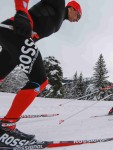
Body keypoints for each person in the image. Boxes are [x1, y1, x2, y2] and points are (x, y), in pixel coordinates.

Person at [0, 0, 82, 147]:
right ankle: (7, 127)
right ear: (72, 8)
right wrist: (21, 12)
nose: (77, 20)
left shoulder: (58, 21)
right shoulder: (58, 4)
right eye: (78, 16)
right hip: (15, 32)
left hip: (14, 36)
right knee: (40, 81)